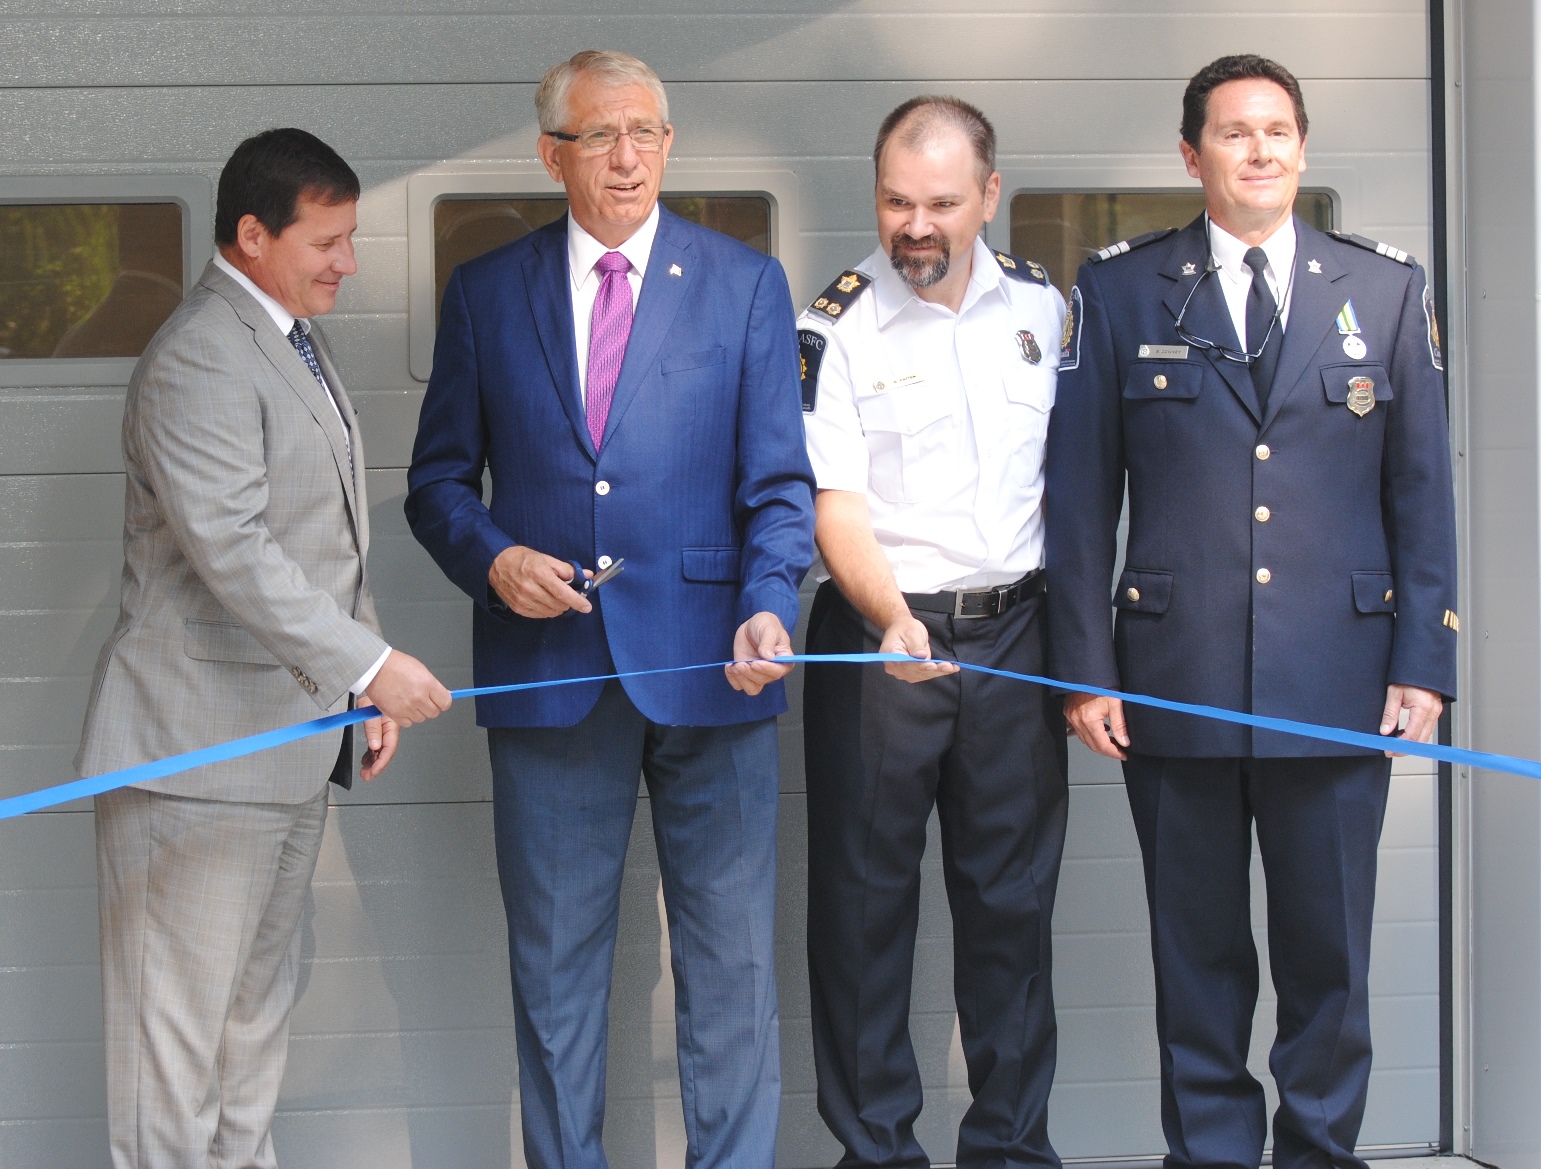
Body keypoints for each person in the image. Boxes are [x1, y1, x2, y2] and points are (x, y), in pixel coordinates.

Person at [404, 50, 815, 1169]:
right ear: (552, 155)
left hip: (714, 673)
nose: (627, 155)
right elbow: (437, 484)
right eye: (598, 136)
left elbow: (778, 488)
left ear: (668, 144)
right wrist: (492, 561)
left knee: (730, 970)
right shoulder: (487, 292)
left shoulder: (743, 285)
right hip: (547, 674)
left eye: (645, 132)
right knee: (554, 973)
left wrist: (768, 603)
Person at [1045, 55, 1457, 1169]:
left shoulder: (1381, 290)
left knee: (1326, 954)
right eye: (1233, 133)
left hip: (1336, 682)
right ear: (1192, 156)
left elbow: (1419, 491)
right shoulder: (1123, 290)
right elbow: (1080, 499)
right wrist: (1084, 668)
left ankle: (1318, 1151)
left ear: (1302, 149)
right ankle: (1212, 1155)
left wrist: (1422, 661)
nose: (1259, 150)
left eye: (1277, 130)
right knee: (1198, 954)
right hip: (1171, 683)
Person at [75, 127, 453, 1168]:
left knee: (248, 1038)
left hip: (282, 753)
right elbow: (234, 552)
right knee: (175, 1056)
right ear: (252, 233)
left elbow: (323, 540)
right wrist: (371, 665)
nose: (349, 260)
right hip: (191, 764)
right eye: (328, 239)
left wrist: (357, 683)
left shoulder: (289, 339)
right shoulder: (199, 354)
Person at [798, 96, 1069, 1169]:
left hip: (1016, 638)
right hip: (880, 643)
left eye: (941, 204)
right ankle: (876, 1151)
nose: (915, 225)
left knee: (1011, 909)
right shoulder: (834, 324)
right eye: (896, 201)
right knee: (863, 912)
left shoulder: (1046, 313)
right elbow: (835, 505)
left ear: (988, 196)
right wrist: (891, 612)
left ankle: (1009, 1146)